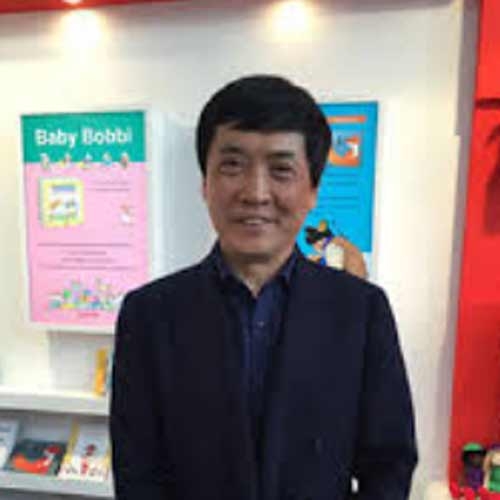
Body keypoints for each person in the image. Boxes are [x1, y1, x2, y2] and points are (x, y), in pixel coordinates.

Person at [110, 75, 418, 500]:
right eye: (232, 165)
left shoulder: (360, 311)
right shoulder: (150, 314)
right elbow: (137, 471)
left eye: (281, 170)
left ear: (312, 190)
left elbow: (389, 464)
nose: (255, 193)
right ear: (205, 183)